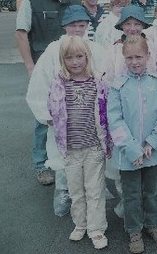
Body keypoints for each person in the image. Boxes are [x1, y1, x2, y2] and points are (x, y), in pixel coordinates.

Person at [26, 5, 107, 217]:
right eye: (73, 25)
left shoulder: (96, 49)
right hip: (64, 119)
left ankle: (94, 193)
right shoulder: (53, 50)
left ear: (88, 26)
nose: (77, 30)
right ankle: (64, 191)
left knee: (92, 158)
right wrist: (48, 116)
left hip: (89, 119)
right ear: (64, 26)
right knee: (63, 156)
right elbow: (40, 84)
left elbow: (107, 80)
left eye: (82, 25)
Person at [16, 0, 81, 185]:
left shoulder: (74, 0)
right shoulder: (32, 0)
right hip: (45, 71)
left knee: (70, 116)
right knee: (44, 117)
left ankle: (66, 159)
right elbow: (21, 33)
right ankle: (41, 165)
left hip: (72, 71)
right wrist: (29, 66)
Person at [107, 35, 157, 254]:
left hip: (153, 151)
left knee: (151, 190)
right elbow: (115, 120)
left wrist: (152, 143)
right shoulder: (117, 86)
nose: (135, 62)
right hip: (129, 154)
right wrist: (133, 149)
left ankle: (152, 224)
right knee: (131, 193)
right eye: (130, 57)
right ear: (124, 58)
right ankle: (134, 229)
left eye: (139, 57)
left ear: (148, 56)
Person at [47, 35, 112, 250]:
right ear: (62, 60)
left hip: (93, 147)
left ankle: (96, 228)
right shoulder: (59, 84)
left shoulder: (98, 82)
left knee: (94, 189)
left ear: (87, 57)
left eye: (79, 56)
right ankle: (80, 224)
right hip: (71, 149)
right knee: (76, 190)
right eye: (69, 58)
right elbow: (52, 110)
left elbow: (105, 113)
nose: (75, 62)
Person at [104, 5, 157, 83]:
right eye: (127, 24)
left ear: (143, 25)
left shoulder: (151, 46)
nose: (132, 29)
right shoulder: (115, 49)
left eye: (137, 24)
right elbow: (109, 78)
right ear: (122, 25)